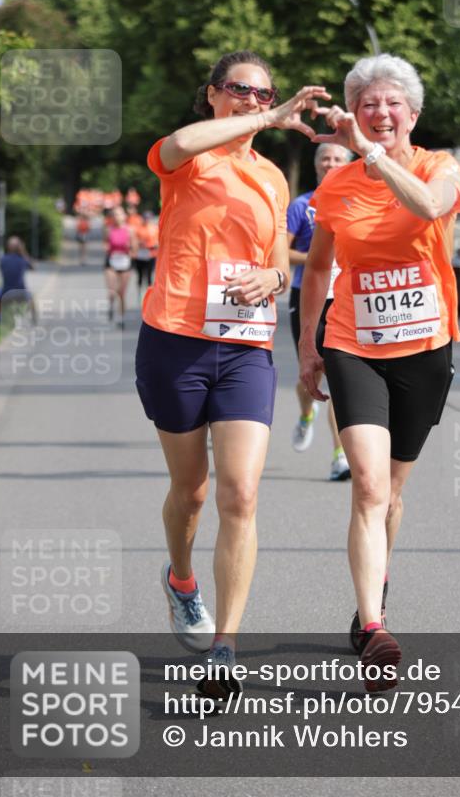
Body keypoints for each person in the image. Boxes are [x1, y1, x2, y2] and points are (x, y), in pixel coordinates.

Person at [134, 50, 329, 696]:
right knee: (190, 492)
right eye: (241, 89)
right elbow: (179, 143)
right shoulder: (188, 157)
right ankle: (181, 580)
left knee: (240, 494)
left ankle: (225, 647)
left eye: (264, 93)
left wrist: (271, 278)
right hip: (175, 341)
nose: (253, 99)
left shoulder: (272, 177)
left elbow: (278, 263)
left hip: (244, 347)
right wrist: (268, 118)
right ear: (213, 93)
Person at [299, 54, 460, 692]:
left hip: (425, 348)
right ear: (354, 112)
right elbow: (319, 267)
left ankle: (379, 582)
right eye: (367, 103)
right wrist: (308, 344)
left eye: (393, 102)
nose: (380, 112)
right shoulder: (336, 188)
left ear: (413, 115)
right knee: (368, 488)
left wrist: (371, 154)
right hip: (354, 344)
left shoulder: (439, 167)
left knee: (393, 495)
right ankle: (373, 628)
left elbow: (427, 208)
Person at [287, 143, 352, 480]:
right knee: (311, 374)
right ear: (316, 165)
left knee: (340, 378)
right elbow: (281, 251)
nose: (331, 163)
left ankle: (340, 456)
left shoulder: (356, 201)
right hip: (308, 296)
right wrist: (318, 259)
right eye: (325, 158)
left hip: (344, 297)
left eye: (338, 158)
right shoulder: (302, 205)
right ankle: (306, 413)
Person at [104, 207, 137, 326]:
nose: (117, 217)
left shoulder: (130, 230)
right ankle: (111, 305)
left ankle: (121, 318)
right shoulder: (108, 230)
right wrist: (107, 248)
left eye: (119, 214)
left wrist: (130, 249)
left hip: (125, 262)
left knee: (122, 293)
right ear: (112, 217)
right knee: (112, 291)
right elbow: (105, 244)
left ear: (124, 216)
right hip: (111, 262)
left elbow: (135, 249)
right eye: (115, 215)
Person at [0, 236, 36, 322]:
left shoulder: (3, 260)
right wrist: (23, 252)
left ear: (8, 247)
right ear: (19, 247)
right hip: (21, 293)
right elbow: (33, 267)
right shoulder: (23, 260)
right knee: (31, 297)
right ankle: (33, 318)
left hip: (5, 293)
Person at [134, 211, 159, 295]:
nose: (147, 220)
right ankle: (139, 294)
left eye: (148, 218)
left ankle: (149, 294)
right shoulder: (138, 229)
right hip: (140, 255)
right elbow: (134, 241)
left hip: (151, 254)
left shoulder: (155, 228)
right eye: (145, 218)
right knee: (140, 275)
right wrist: (139, 244)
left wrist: (154, 245)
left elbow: (158, 241)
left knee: (149, 275)